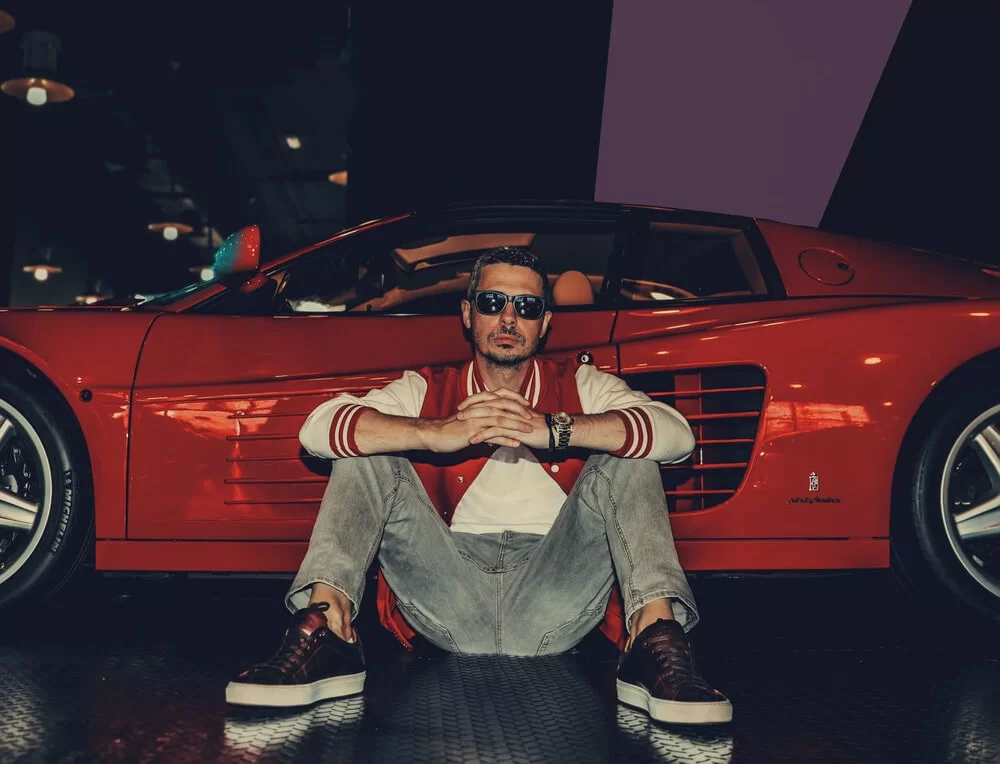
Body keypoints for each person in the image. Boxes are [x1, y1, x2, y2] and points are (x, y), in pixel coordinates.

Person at [226, 246, 732, 725]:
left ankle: (655, 642)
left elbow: (678, 436)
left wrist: (554, 428)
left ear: (545, 324)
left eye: (526, 307)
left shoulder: (583, 385)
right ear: (468, 314)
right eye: (492, 303)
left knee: (634, 455)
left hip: (556, 588)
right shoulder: (426, 388)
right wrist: (434, 432)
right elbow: (316, 430)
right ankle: (328, 632)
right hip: (449, 590)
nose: (508, 318)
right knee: (366, 449)